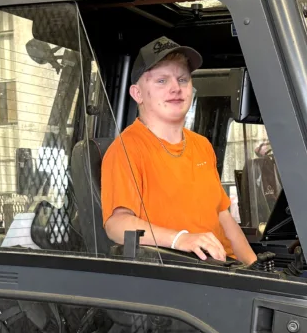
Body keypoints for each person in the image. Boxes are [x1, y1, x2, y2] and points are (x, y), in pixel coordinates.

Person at [101, 36, 258, 265]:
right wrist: (180, 239)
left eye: (182, 79)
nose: (176, 88)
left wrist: (254, 269)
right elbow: (117, 226)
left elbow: (223, 217)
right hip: (180, 275)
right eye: (162, 81)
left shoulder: (202, 145)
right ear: (137, 94)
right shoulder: (128, 149)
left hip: (223, 269)